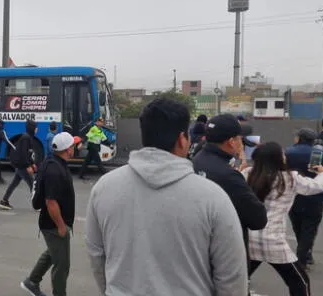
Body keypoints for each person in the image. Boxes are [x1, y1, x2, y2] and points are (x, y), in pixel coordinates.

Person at [85, 99, 247, 296]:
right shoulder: (212, 197)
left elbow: (97, 256)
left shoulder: (103, 188)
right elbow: (231, 276)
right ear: (182, 139)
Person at [244, 141, 323, 296]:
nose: (285, 156)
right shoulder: (290, 178)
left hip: (249, 237)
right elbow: (314, 187)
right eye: (282, 154)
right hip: (273, 240)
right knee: (299, 281)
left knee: (240, 277)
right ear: (277, 158)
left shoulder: (248, 174)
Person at [192, 114, 268, 275]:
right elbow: (258, 219)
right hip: (224, 256)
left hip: (199, 250)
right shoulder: (229, 176)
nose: (242, 144)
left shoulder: (198, 159)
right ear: (231, 142)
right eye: (240, 139)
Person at [20, 132, 80, 296]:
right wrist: (61, 226)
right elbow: (50, 202)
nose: (75, 148)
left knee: (53, 253)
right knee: (62, 265)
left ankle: (31, 281)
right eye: (73, 145)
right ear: (68, 150)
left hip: (52, 222)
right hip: (54, 224)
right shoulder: (55, 169)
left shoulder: (53, 161)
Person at [286, 128, 323, 269]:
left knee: (297, 226)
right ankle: (303, 257)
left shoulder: (287, 152)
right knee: (309, 228)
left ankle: (304, 253)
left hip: (293, 196)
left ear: (298, 138)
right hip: (314, 198)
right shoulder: (320, 153)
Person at [0, 120, 38, 211]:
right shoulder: (26, 138)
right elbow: (23, 154)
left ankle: (4, 201)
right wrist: (28, 166)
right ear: (32, 128)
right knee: (33, 184)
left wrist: (32, 163)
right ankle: (37, 204)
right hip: (22, 166)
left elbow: (28, 153)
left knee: (14, 183)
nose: (37, 129)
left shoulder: (28, 137)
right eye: (36, 127)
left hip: (21, 165)